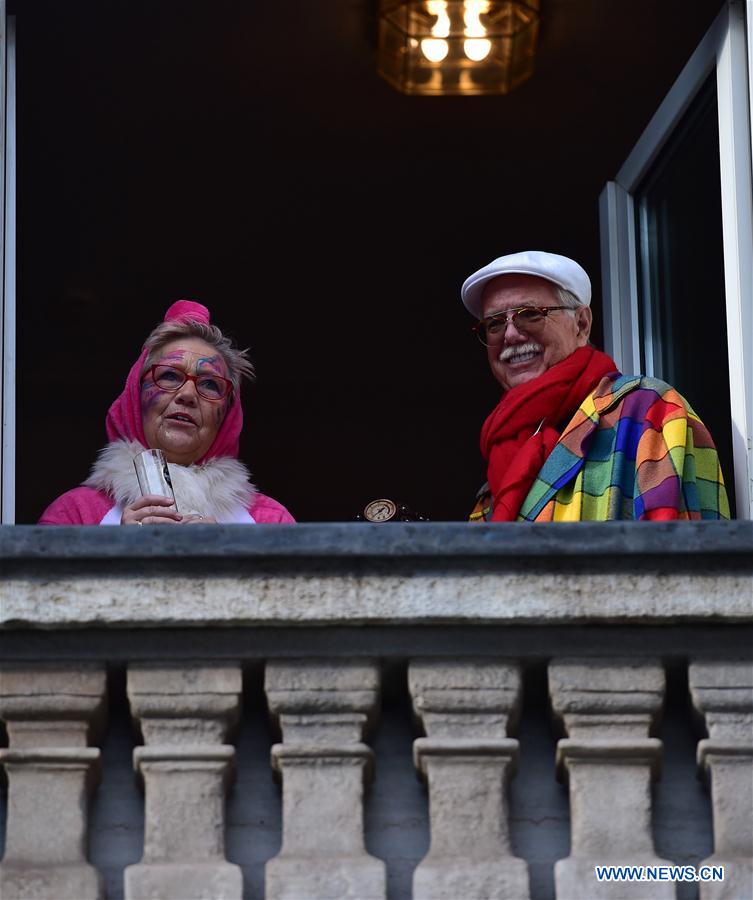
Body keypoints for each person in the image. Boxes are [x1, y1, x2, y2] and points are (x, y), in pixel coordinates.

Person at [462, 250, 730, 522]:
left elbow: (687, 554)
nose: (510, 334)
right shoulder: (497, 471)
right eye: (494, 323)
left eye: (530, 314)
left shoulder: (647, 411)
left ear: (581, 324)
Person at [39, 300, 294, 525]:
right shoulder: (74, 516)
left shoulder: (270, 522)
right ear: (134, 399)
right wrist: (120, 552)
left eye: (209, 384)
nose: (188, 395)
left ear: (228, 415)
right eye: (169, 376)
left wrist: (223, 561)